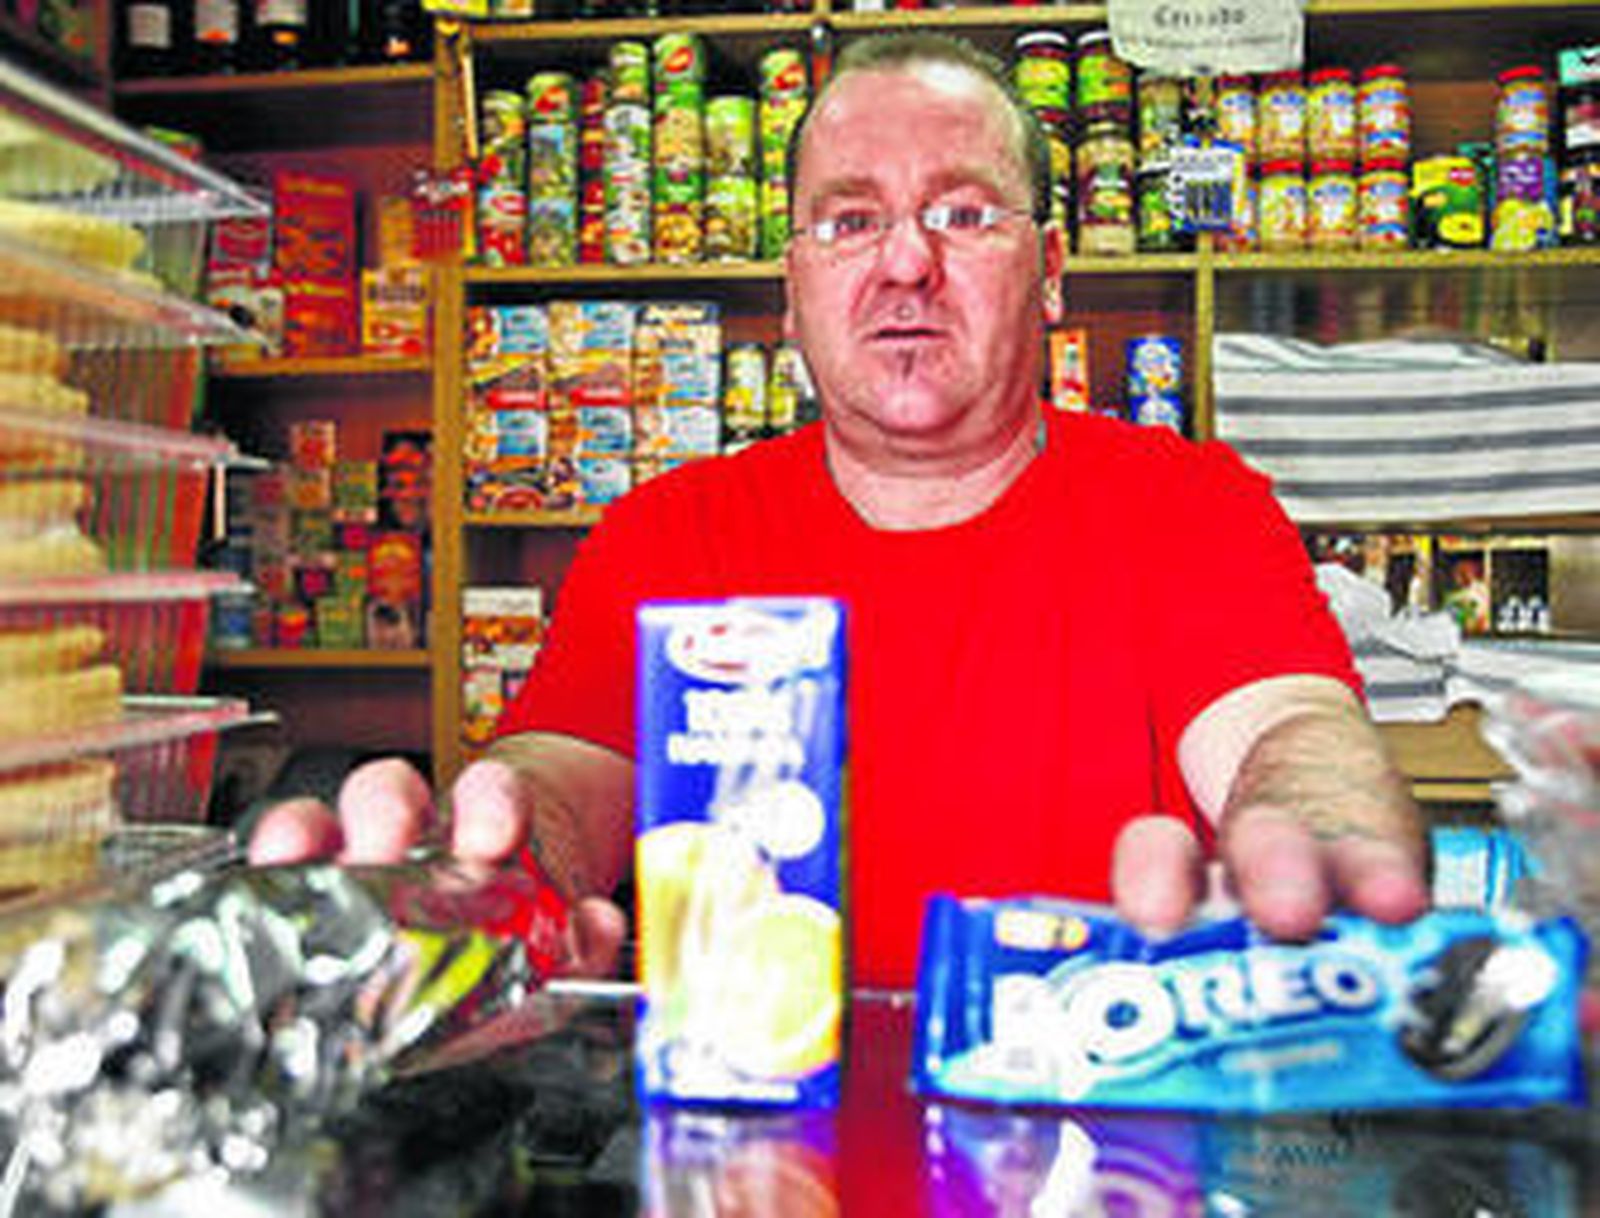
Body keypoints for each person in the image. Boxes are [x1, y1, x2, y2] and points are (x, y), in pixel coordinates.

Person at [252, 33, 1428, 989]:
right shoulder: (666, 534)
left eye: (965, 214)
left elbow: (1285, 732)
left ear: (1053, 270)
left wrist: (1317, 827)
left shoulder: (1189, 506)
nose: (905, 262)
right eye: (849, 220)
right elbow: (560, 783)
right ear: (794, 287)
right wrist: (473, 872)